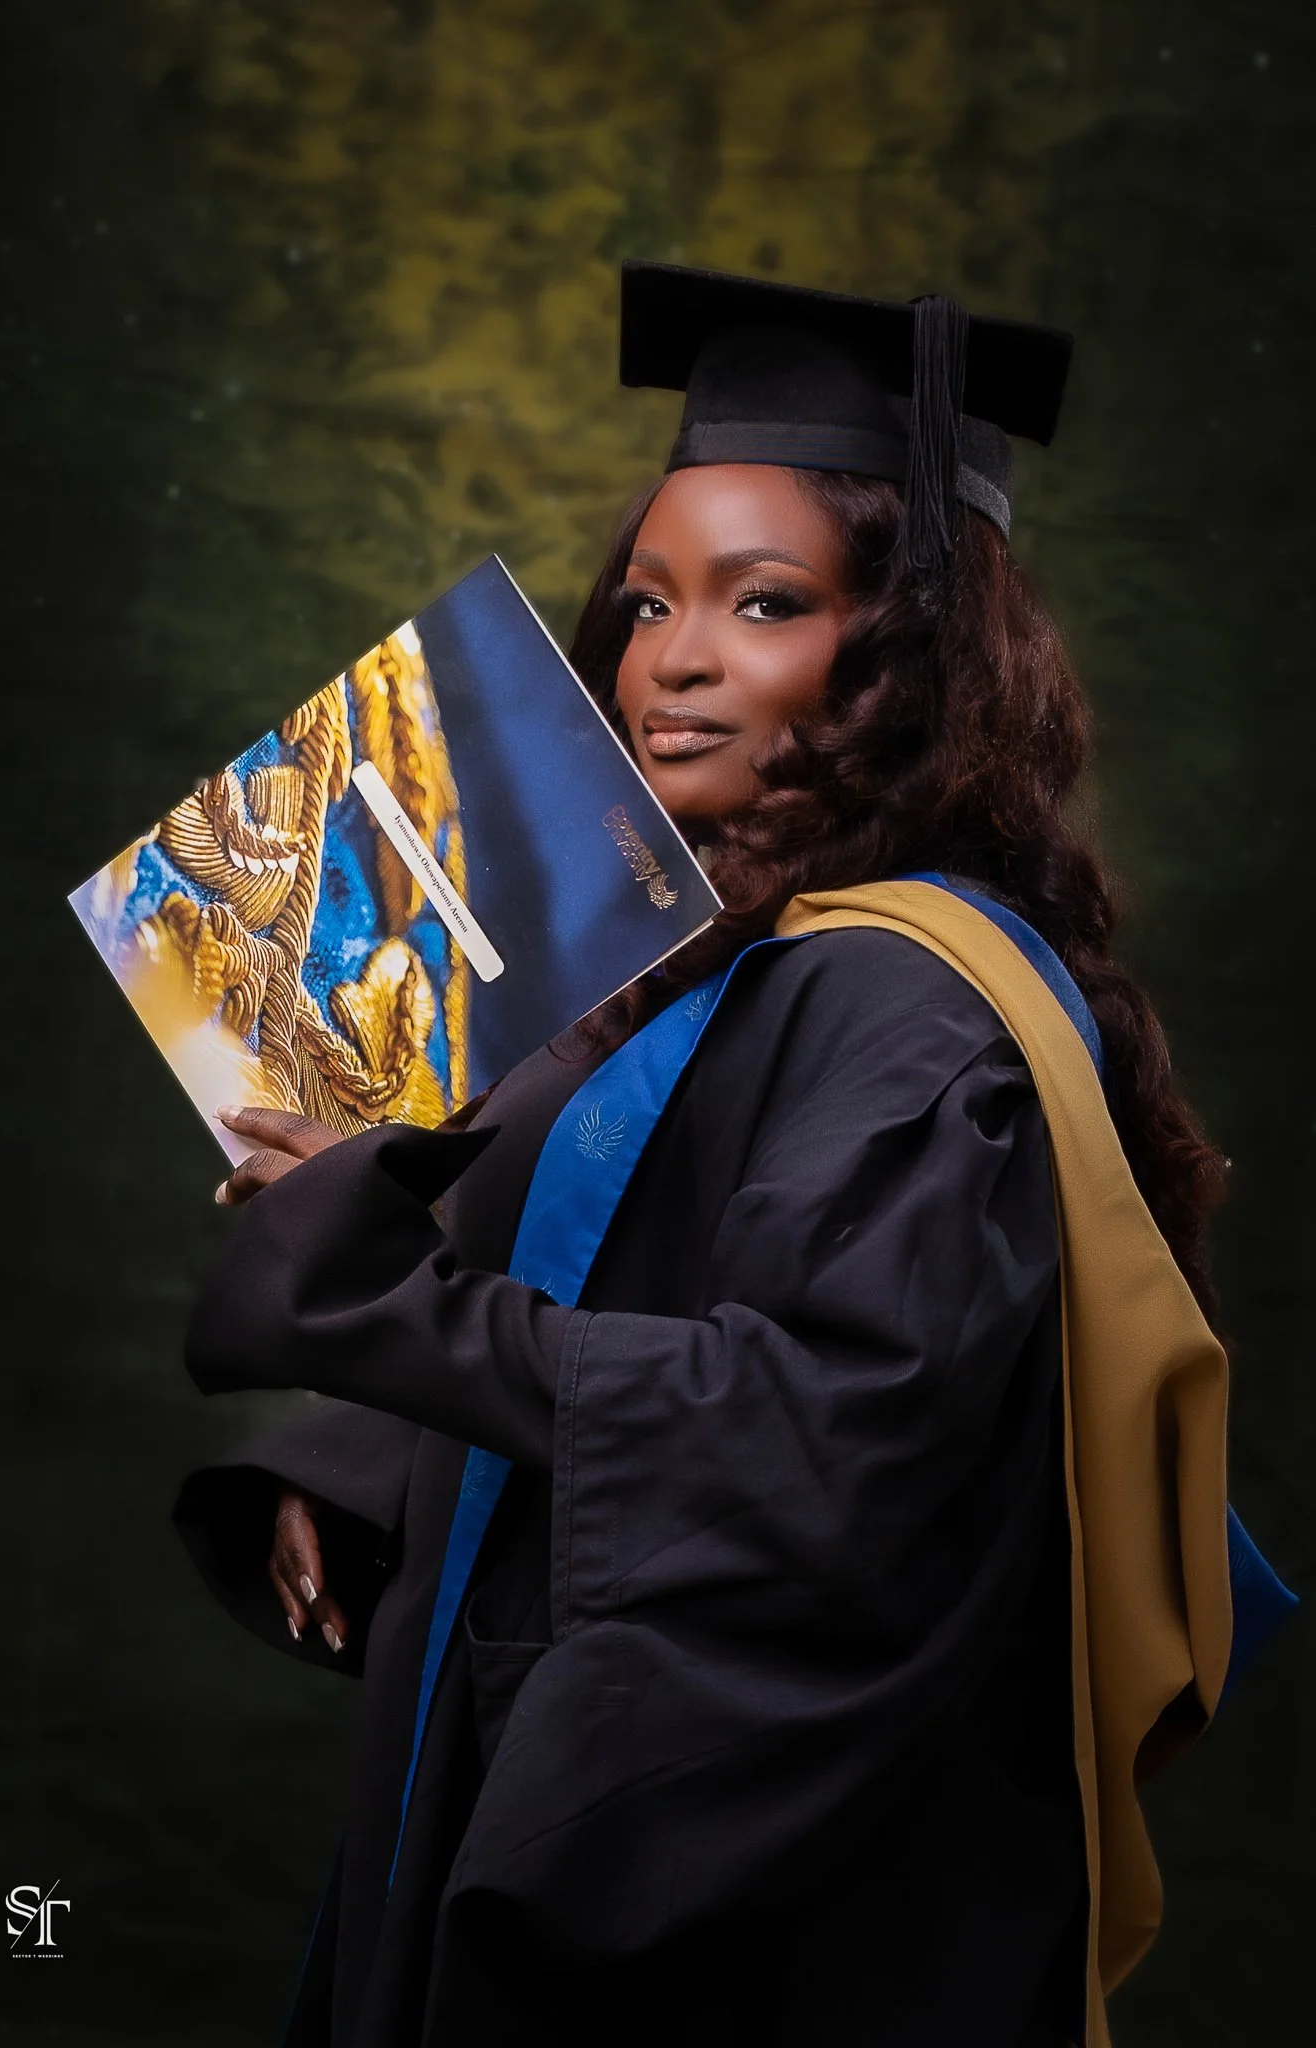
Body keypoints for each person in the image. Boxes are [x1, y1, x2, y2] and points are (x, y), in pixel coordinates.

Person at [173, 263, 1246, 2048]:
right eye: (648, 602)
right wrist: (373, 1457)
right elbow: (592, 1247)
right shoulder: (694, 957)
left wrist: (377, 1306)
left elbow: (810, 1432)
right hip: (550, 1740)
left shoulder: (910, 1008)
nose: (671, 660)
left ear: (909, 654)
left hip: (742, 1876)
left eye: (764, 603)